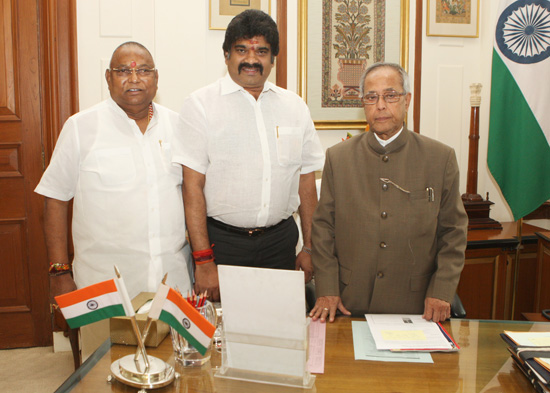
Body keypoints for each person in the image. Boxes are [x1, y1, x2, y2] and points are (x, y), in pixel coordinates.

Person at [35, 41, 193, 358]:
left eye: (143, 70)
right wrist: (59, 274)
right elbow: (54, 200)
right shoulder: (80, 128)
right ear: (108, 78)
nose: (134, 78)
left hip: (171, 282)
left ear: (157, 78)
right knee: (102, 377)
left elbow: (194, 196)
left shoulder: (180, 127)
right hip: (102, 287)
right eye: (123, 70)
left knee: (174, 374)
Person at [172, 10, 324, 301]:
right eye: (241, 50)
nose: (251, 60)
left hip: (280, 244)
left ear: (273, 58)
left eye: (262, 51)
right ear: (227, 54)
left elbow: (306, 182)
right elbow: (192, 187)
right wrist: (203, 260)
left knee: (280, 331)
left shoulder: (294, 107)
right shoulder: (201, 105)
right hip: (223, 245)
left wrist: (310, 248)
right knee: (223, 336)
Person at [309, 62, 467, 323]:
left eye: (390, 95)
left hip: (415, 305)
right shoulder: (339, 158)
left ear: (407, 100)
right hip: (349, 301)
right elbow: (323, 227)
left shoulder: (440, 158)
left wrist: (441, 291)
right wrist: (327, 289)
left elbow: (453, 232)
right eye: (371, 97)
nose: (381, 105)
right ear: (363, 104)